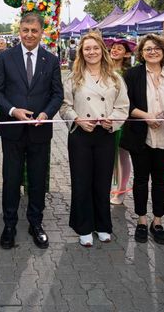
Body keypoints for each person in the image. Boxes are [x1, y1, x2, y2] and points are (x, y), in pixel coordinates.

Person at [0, 12, 64, 250]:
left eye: (34, 31)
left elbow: (57, 94)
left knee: (37, 180)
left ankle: (36, 223)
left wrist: (46, 114)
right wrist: (12, 111)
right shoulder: (5, 58)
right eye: (25, 30)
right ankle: (9, 225)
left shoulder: (51, 60)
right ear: (19, 31)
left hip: (40, 131)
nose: (29, 35)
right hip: (12, 131)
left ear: (42, 32)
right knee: (11, 180)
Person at [59, 32, 128, 247]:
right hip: (80, 134)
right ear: (81, 52)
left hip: (105, 134)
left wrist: (113, 121)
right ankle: (83, 226)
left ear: (102, 50)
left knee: (102, 181)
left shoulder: (115, 78)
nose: (91, 52)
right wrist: (76, 119)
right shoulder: (73, 77)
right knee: (81, 181)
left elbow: (123, 106)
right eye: (87, 48)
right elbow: (64, 106)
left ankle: (103, 225)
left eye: (95, 48)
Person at [121, 34, 164, 245]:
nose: (152, 52)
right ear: (141, 53)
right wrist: (145, 116)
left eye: (156, 48)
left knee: (160, 181)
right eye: (148, 49)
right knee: (141, 180)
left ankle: (157, 222)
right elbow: (125, 104)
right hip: (141, 136)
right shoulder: (132, 75)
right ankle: (141, 220)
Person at [107, 39, 133, 206]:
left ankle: (121, 190)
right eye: (113, 48)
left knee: (123, 154)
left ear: (127, 54)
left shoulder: (129, 73)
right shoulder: (104, 69)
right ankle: (107, 188)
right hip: (105, 119)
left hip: (125, 120)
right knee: (108, 156)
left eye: (119, 49)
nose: (115, 51)